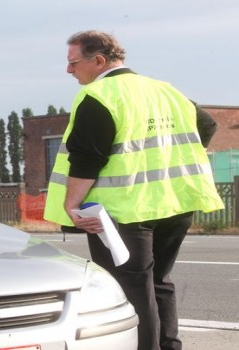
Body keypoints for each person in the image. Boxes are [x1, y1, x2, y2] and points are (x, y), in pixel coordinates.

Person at [43, 30, 224, 350]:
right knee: (159, 283)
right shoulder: (164, 90)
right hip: (176, 203)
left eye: (73, 63)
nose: (69, 70)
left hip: (124, 211)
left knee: (132, 287)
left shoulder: (98, 96)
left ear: (99, 61)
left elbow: (87, 158)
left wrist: (73, 206)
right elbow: (207, 125)